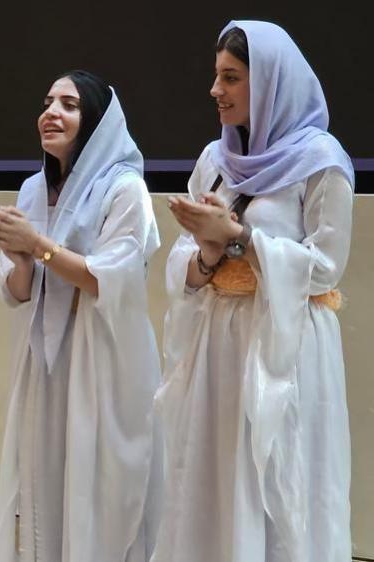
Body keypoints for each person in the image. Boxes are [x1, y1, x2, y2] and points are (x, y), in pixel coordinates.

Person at [155, 21, 355, 562]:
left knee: (279, 481)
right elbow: (182, 265)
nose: (215, 90)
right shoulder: (215, 161)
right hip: (218, 344)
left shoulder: (321, 160)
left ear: (269, 83)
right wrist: (209, 253)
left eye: (231, 78)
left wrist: (240, 239)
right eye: (216, 76)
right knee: (215, 478)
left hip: (283, 349)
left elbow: (326, 267)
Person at [0, 70, 162, 562]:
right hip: (43, 360)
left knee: (100, 489)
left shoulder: (125, 189)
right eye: (47, 101)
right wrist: (18, 259)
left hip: (101, 356)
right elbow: (16, 292)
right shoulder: (34, 189)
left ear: (97, 123)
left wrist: (35, 246)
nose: (51, 112)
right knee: (41, 480)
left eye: (70, 105)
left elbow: (110, 279)